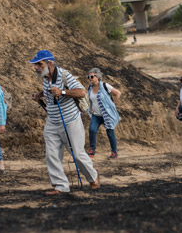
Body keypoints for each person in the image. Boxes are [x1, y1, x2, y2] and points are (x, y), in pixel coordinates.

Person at [30, 50, 99, 194]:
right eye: (35, 64)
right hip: (52, 120)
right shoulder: (45, 76)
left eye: (39, 64)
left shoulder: (64, 75)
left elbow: (81, 92)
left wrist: (62, 92)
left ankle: (93, 178)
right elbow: (49, 89)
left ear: (50, 63)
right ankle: (60, 186)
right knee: (52, 154)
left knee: (77, 153)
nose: (36, 67)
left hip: (70, 120)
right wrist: (40, 94)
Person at [86, 68, 121, 158]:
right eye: (88, 77)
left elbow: (118, 93)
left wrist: (112, 105)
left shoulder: (105, 86)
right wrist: (91, 108)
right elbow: (92, 100)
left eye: (91, 76)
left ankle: (114, 152)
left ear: (97, 77)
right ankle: (92, 149)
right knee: (92, 130)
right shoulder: (90, 87)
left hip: (107, 115)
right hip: (96, 115)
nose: (90, 78)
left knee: (110, 132)